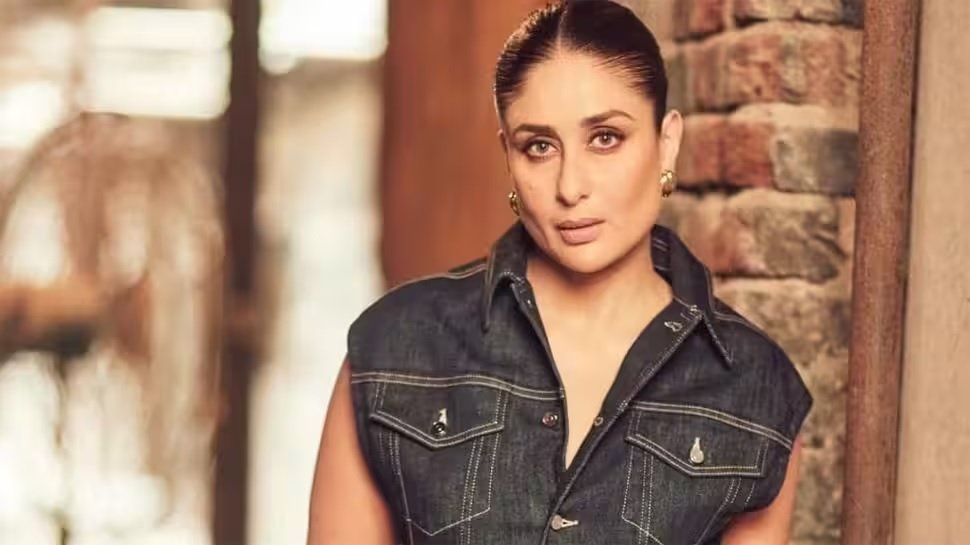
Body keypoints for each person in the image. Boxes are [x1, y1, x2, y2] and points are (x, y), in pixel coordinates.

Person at [308, 1, 813, 544]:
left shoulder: (755, 388)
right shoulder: (393, 349)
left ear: (666, 143)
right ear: (509, 157)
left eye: (605, 138)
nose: (571, 187)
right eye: (540, 147)